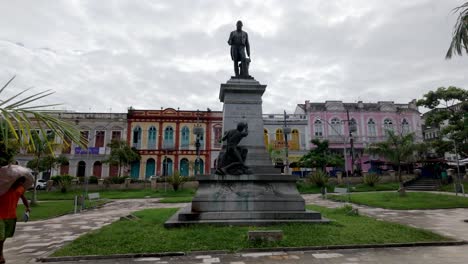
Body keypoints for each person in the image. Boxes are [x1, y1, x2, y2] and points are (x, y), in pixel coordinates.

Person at [0, 177, 30, 264]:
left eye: (22, 182)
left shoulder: (20, 189)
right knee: (1, 236)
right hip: (0, 215)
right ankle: (1, 255)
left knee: (4, 235)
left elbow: (23, 197)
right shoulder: (3, 187)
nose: (21, 184)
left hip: (11, 216)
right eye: (20, 182)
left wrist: (27, 207)